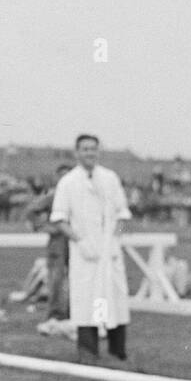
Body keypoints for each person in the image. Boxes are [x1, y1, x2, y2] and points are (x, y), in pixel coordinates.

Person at [49, 137, 132, 361]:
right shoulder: (68, 182)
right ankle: (89, 350)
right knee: (89, 302)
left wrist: (116, 240)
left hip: (109, 250)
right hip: (85, 252)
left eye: (93, 149)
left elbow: (122, 214)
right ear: (76, 152)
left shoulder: (109, 178)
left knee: (111, 300)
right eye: (85, 149)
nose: (90, 153)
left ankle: (117, 351)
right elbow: (59, 219)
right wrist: (79, 241)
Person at [29, 164, 74, 337]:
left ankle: (72, 313)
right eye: (61, 176)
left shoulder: (78, 196)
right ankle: (55, 314)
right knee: (56, 278)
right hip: (58, 241)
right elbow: (31, 211)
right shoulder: (53, 196)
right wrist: (45, 227)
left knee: (76, 279)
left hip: (76, 241)